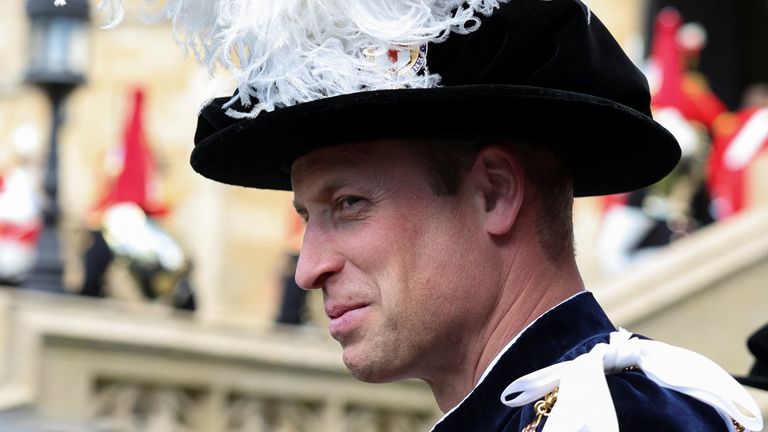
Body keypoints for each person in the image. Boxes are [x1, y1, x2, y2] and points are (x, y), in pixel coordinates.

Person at [140, 0, 763, 429]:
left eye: (349, 204)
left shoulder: (625, 418)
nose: (309, 267)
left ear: (493, 193)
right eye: (309, 216)